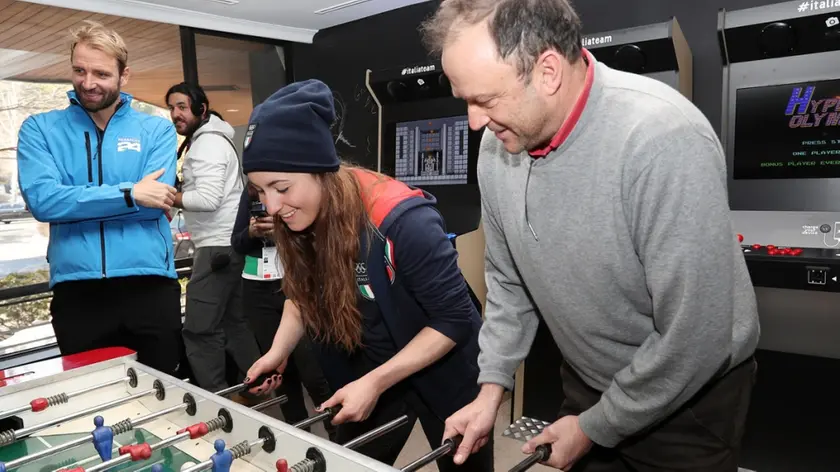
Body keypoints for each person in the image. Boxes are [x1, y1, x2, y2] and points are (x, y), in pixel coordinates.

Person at [420, 1, 761, 471]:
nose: (475, 122)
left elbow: (694, 338)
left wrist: (594, 427)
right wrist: (490, 391)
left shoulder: (662, 139)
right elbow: (507, 283)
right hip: (589, 378)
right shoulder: (498, 148)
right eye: (466, 101)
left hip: (689, 399)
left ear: (548, 71)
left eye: (486, 100)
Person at [241, 79, 493, 471]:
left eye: (282, 187)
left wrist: (376, 382)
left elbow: (454, 320)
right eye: (259, 191)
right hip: (370, 364)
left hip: (444, 362)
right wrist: (278, 353)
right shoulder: (297, 220)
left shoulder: (402, 220)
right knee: (348, 463)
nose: (271, 206)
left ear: (321, 171)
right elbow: (302, 294)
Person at [16, 20, 183, 375]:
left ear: (124, 76)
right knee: (92, 403)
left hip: (149, 286)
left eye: (101, 74)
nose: (88, 83)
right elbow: (45, 203)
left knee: (163, 396)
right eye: (80, 70)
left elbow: (160, 201)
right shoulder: (40, 129)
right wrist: (130, 193)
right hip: (78, 293)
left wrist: (75, 202)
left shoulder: (156, 130)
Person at [164, 82, 261, 393]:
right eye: (171, 108)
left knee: (199, 330)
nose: (175, 114)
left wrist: (169, 196)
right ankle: (261, 386)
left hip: (217, 248)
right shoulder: (214, 140)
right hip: (229, 245)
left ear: (200, 109)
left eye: (181, 106)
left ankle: (217, 399)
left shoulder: (207, 144)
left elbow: (207, 199)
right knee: (234, 323)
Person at [230, 184, 336, 438]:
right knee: (280, 373)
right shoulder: (251, 191)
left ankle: (339, 437)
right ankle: (297, 437)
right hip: (256, 288)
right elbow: (237, 242)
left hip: (294, 284)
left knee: (313, 372)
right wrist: (253, 232)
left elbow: (315, 240)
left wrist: (282, 233)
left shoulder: (300, 190)